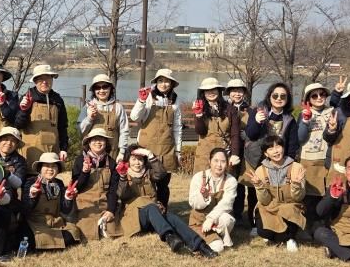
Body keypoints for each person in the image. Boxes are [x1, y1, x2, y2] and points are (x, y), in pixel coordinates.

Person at [118, 146, 217, 258]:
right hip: (135, 217)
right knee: (152, 207)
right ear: (128, 161)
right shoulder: (123, 174)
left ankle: (201, 246)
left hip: (153, 216)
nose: (137, 163)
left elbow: (161, 174)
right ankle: (169, 237)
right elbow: (122, 194)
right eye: (133, 159)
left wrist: (150, 154)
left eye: (140, 159)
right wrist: (122, 177)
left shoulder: (149, 173)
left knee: (171, 217)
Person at [130, 68, 182, 210]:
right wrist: (141, 100)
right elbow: (134, 117)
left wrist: (178, 152)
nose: (164, 84)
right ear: (156, 82)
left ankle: (163, 210)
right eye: (160, 80)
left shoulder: (175, 101)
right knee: (146, 182)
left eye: (167, 81)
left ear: (172, 84)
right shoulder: (148, 97)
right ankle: (145, 210)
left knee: (163, 185)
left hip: (167, 149)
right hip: (146, 148)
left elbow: (177, 128)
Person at [249, 136, 306, 252]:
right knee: (264, 232)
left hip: (289, 206)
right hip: (269, 207)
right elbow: (264, 201)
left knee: (290, 212)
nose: (275, 151)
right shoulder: (260, 170)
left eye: (278, 146)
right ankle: (278, 236)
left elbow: (298, 198)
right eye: (270, 149)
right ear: (266, 153)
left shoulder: (297, 167)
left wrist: (296, 184)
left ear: (283, 148)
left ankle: (290, 238)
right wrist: (259, 185)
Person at [20, 152, 82, 251]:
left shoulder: (59, 183)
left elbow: (65, 210)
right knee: (27, 237)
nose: (50, 169)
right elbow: (25, 209)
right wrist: (32, 196)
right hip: (35, 223)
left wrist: (68, 198)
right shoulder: (30, 182)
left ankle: (45, 244)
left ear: (58, 169)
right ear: (40, 168)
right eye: (46, 166)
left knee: (74, 233)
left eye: (54, 166)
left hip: (55, 222)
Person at [70, 128, 122, 241]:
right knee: (84, 229)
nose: (98, 142)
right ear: (89, 143)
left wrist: (111, 210)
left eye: (101, 139)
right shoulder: (80, 160)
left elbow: (113, 189)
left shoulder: (111, 162)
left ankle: (104, 222)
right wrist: (84, 173)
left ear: (106, 143)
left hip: (104, 202)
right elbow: (75, 187)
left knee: (114, 228)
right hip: (85, 203)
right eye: (94, 139)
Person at [297, 83, 333, 236]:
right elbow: (300, 138)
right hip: (309, 159)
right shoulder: (304, 113)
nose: (319, 98)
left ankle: (323, 226)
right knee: (310, 196)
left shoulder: (332, 111)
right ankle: (308, 226)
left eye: (322, 94)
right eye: (314, 95)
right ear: (308, 99)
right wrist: (305, 120)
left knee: (326, 195)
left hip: (328, 159)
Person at [15, 64, 69, 166]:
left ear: (52, 79)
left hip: (53, 152)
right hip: (31, 150)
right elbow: (18, 124)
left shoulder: (57, 100)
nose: (44, 82)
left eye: (47, 78)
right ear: (35, 81)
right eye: (40, 79)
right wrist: (24, 110)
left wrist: (63, 148)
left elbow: (63, 127)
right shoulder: (27, 98)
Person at [188, 148, 237, 253]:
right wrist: (204, 197)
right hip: (199, 222)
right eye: (216, 161)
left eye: (223, 161)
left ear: (227, 164)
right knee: (217, 248)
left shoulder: (231, 180)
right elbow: (193, 203)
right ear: (209, 161)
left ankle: (218, 236)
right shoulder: (198, 177)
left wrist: (211, 219)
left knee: (227, 219)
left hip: (217, 221)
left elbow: (227, 204)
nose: (219, 165)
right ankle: (209, 240)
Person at [225, 78, 257, 234]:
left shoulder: (251, 110)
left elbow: (257, 130)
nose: (237, 94)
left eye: (239, 91)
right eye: (233, 91)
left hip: (248, 151)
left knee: (250, 184)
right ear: (229, 93)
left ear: (244, 93)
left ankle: (253, 216)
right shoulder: (224, 109)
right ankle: (236, 215)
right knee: (234, 184)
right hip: (230, 152)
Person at [192, 77, 241, 173]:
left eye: (214, 89)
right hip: (204, 153)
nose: (211, 92)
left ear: (219, 91)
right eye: (207, 90)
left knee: (223, 180)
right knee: (203, 180)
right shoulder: (199, 107)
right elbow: (200, 131)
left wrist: (235, 154)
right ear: (203, 93)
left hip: (223, 152)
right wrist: (199, 115)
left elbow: (235, 134)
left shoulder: (230, 109)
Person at [77, 74, 129, 159]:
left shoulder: (118, 107)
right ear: (93, 90)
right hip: (91, 155)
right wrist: (90, 118)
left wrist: (122, 152)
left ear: (110, 89)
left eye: (105, 87)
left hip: (113, 154)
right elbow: (80, 131)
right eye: (97, 87)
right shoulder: (87, 107)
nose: (101, 90)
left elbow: (124, 130)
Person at [245, 82, 300, 162]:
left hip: (279, 160)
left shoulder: (290, 119)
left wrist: (288, 162)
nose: (279, 98)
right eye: (275, 96)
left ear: (287, 99)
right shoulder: (258, 111)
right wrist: (257, 122)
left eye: (283, 96)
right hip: (256, 158)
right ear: (269, 97)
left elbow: (292, 144)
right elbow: (251, 135)